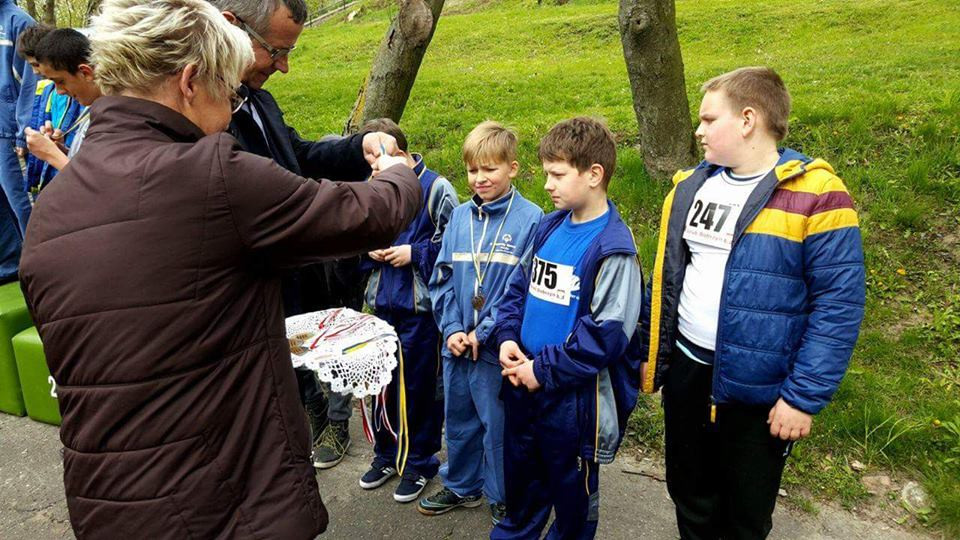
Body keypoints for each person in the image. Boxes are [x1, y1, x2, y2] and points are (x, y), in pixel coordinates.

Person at [18, 1, 421, 537]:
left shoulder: (51, 208)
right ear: (189, 81)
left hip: (108, 501)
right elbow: (369, 214)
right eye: (226, 91)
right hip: (219, 500)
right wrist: (397, 170)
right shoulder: (207, 174)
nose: (232, 108)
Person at [641, 67, 866, 539]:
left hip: (758, 391)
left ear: (748, 119)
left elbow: (838, 306)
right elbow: (668, 280)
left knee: (744, 512)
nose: (697, 130)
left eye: (708, 118)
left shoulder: (819, 195)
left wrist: (802, 398)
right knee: (688, 492)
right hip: (688, 373)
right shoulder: (688, 187)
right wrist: (653, 358)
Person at [209, 0, 378, 455]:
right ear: (230, 27)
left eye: (289, 53)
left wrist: (361, 148)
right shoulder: (205, 122)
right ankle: (310, 419)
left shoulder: (258, 98)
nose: (282, 67)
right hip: (255, 293)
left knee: (319, 356)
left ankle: (327, 421)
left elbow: (297, 156)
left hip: (300, 276)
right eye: (274, 50)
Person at [493, 117, 644, 539]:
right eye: (546, 174)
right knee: (521, 485)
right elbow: (517, 290)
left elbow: (606, 337)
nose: (547, 185)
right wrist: (506, 336)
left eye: (557, 175)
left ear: (594, 174)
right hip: (522, 383)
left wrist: (542, 371)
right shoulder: (549, 225)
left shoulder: (614, 249)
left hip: (572, 404)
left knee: (572, 498)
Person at [421, 121, 542, 525]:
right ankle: (461, 485)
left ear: (513, 168)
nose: (480, 178)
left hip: (495, 348)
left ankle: (502, 493)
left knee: (498, 425)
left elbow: (519, 289)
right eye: (473, 170)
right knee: (458, 420)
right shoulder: (458, 217)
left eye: (490, 169)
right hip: (456, 343)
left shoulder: (531, 219)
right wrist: (453, 328)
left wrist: (482, 331)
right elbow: (440, 276)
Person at [353, 117, 458, 501]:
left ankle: (419, 462)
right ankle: (385, 454)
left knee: (419, 387)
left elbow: (453, 246)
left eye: (376, 157)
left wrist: (415, 253)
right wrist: (368, 250)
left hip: (420, 310)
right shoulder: (371, 185)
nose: (372, 168)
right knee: (379, 385)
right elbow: (355, 234)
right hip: (379, 304)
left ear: (396, 151)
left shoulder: (437, 188)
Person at [23, 29, 101, 182]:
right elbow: (88, 165)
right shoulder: (91, 108)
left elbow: (95, 184)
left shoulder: (114, 117)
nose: (58, 92)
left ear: (85, 72)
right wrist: (62, 150)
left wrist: (52, 154)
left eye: (60, 81)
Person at [18, 25, 84, 196]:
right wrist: (61, 148)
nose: (34, 71)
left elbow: (91, 179)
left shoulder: (89, 101)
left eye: (36, 64)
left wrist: (51, 153)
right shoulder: (47, 89)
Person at [0, 0, 38, 284]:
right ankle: (10, 268)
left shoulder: (18, 21)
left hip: (10, 133)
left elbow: (32, 82)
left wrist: (24, 129)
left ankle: (41, 269)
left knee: (21, 202)